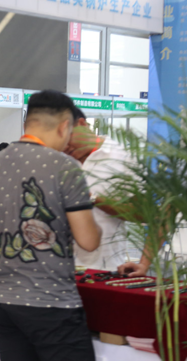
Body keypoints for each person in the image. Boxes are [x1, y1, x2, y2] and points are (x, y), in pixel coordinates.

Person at [0, 90, 102, 361]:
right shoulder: (66, 168)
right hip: (51, 303)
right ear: (64, 126)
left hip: (1, 301)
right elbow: (88, 240)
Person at [64, 108, 152, 276]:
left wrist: (93, 199)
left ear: (82, 124)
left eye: (68, 137)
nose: (65, 145)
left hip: (103, 268)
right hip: (55, 270)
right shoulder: (56, 160)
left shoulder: (122, 157)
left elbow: (142, 214)